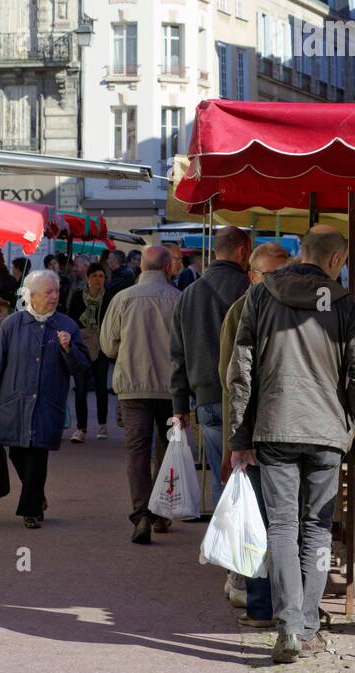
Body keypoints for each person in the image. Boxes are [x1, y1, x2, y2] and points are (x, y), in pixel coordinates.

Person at [228, 228, 355, 665]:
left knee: (281, 527)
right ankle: (306, 623)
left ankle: (288, 625)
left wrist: (241, 435)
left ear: (302, 254)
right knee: (316, 528)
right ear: (335, 261)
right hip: (325, 430)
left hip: (273, 425)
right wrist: (345, 417)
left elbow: (241, 368)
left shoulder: (261, 296)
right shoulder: (346, 304)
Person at [218, 241, 291, 627]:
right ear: (252, 275)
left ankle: (286, 607)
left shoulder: (291, 307)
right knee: (259, 521)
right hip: (257, 433)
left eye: (282, 274)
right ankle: (262, 605)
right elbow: (233, 379)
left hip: (287, 433)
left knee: (284, 522)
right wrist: (237, 441)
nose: (276, 282)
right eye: (269, 275)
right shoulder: (241, 311)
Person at [0, 269, 89, 529]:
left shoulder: (67, 326)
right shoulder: (12, 324)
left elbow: (82, 368)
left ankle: (30, 510)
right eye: (48, 292)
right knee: (17, 453)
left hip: (46, 405)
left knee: (37, 456)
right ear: (31, 295)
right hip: (13, 404)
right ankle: (37, 497)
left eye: (57, 292)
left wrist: (68, 349)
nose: (54, 297)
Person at [101, 245, 184, 544]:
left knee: (137, 452)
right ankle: (161, 511)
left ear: (141, 267)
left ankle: (141, 515)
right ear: (167, 268)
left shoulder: (122, 299)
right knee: (165, 451)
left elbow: (108, 346)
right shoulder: (178, 299)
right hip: (170, 389)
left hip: (132, 387)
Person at [170, 227, 252, 508]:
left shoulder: (188, 294)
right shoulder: (249, 289)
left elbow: (177, 354)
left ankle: (220, 547)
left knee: (221, 475)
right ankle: (245, 547)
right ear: (242, 251)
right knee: (249, 477)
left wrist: (179, 405)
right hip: (243, 400)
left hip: (204, 399)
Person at [68, 263, 109, 441]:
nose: (98, 279)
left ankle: (102, 425)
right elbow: (70, 319)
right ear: (88, 278)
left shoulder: (109, 298)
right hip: (81, 346)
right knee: (81, 388)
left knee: (101, 387)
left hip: (101, 347)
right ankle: (81, 428)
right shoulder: (77, 296)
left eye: (101, 276)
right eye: (94, 276)